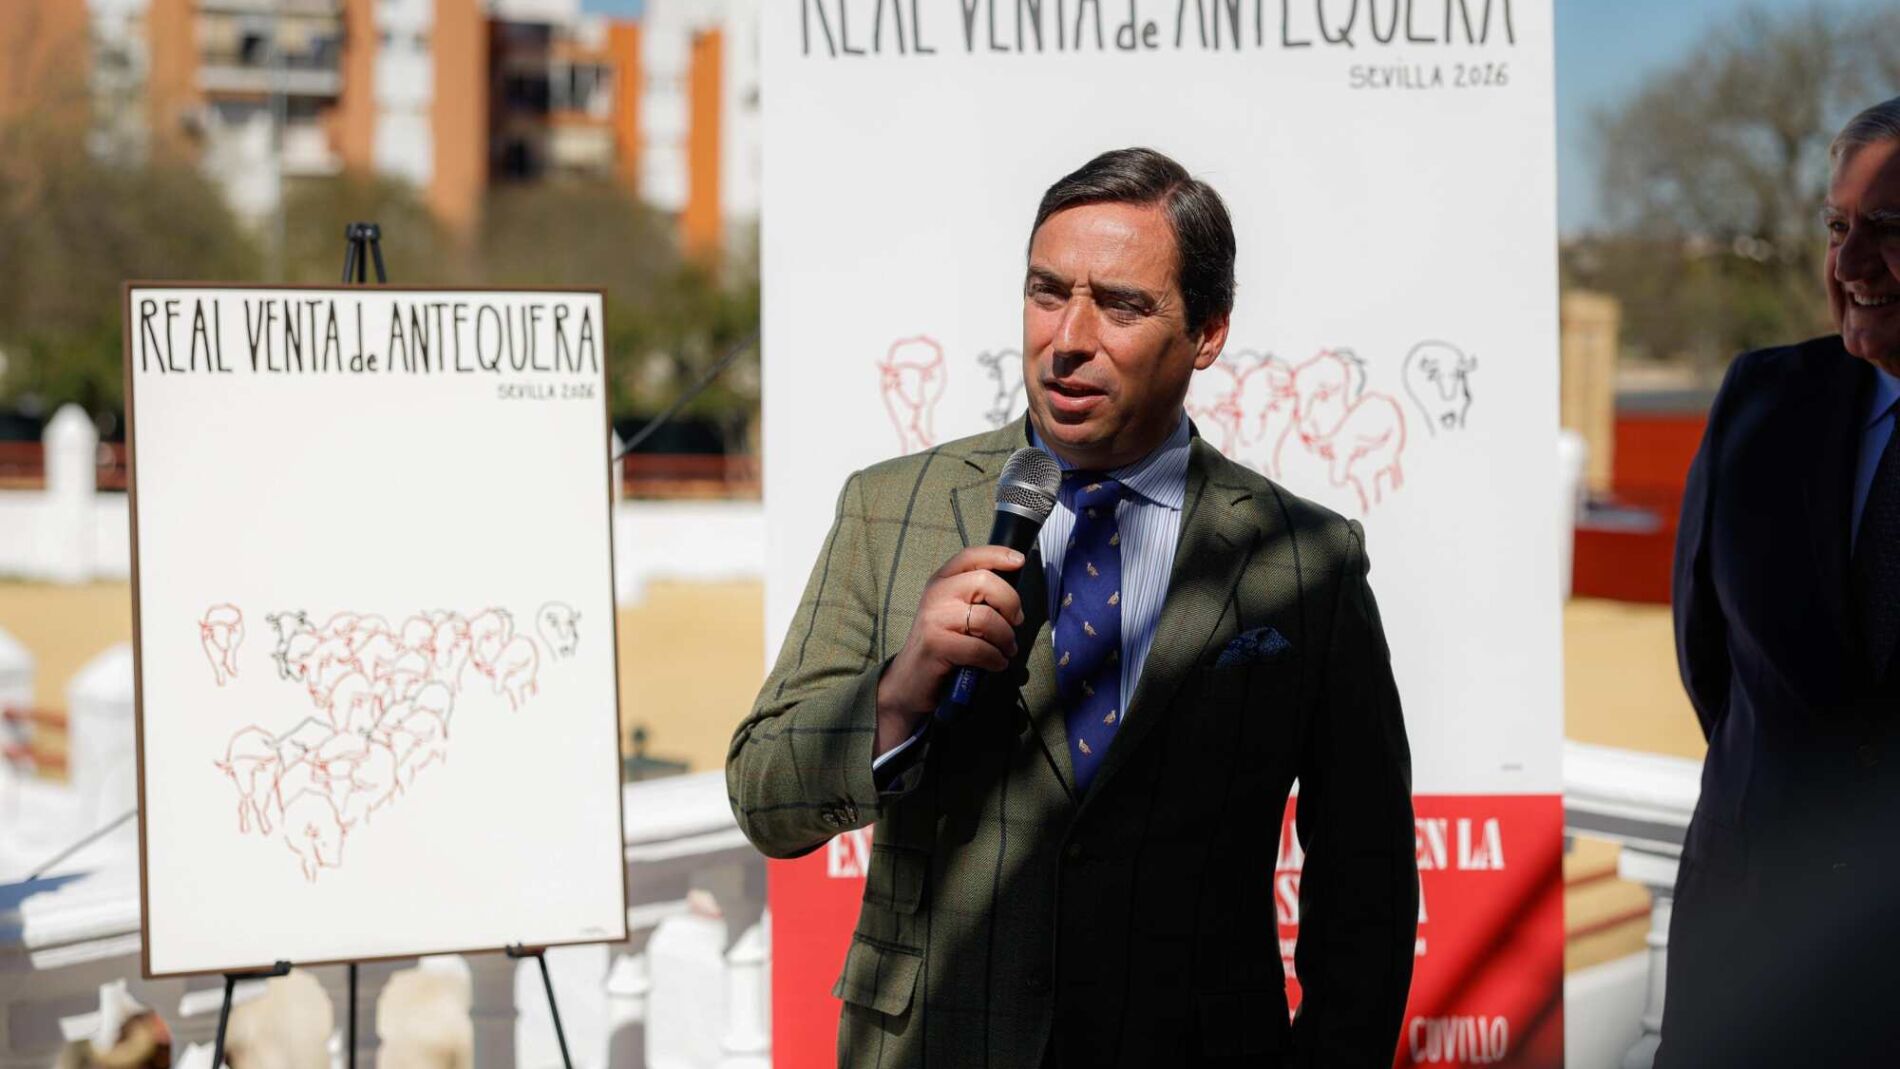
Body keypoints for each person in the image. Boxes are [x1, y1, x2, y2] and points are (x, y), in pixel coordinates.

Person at [728, 147, 1417, 1068]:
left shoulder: (1307, 560)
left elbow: (1366, 881)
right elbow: (765, 798)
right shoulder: (890, 508)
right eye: (1047, 292)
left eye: (1121, 305)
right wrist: (900, 692)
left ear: (1208, 333)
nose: (1068, 338)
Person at [1661, 96, 1900, 1067]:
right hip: (1746, 960)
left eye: (1888, 229)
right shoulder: (1760, 400)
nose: (1852, 265)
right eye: (1838, 229)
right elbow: (1710, 665)